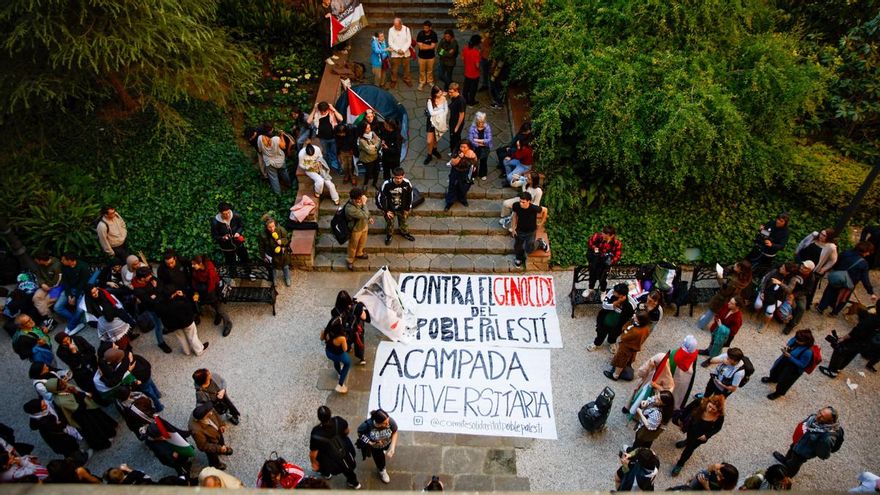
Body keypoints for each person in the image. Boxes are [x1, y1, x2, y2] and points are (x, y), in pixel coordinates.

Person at [627, 335, 699, 414]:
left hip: (657, 382)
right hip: (674, 387)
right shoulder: (693, 356)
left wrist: (644, 375)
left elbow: (643, 370)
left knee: (646, 397)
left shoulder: (666, 356)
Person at [42, 378, 118, 451]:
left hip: (85, 408)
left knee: (99, 420)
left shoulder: (65, 388)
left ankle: (109, 433)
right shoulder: (61, 401)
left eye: (61, 381)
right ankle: (103, 443)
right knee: (93, 428)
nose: (64, 383)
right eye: (61, 384)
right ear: (56, 389)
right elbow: (79, 408)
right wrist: (76, 393)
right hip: (81, 415)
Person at [773, 406, 844, 477]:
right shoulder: (814, 418)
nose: (818, 416)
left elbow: (823, 454)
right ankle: (785, 461)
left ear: (830, 421)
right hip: (798, 442)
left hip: (802, 453)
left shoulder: (827, 438)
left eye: (822, 417)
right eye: (820, 412)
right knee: (791, 450)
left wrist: (810, 450)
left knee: (795, 464)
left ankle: (788, 475)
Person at [816, 241, 877, 316]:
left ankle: (821, 308)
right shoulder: (864, 264)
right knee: (843, 298)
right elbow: (865, 279)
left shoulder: (846, 253)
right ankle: (834, 312)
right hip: (849, 283)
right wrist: (871, 292)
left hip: (837, 277)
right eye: (868, 252)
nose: (868, 254)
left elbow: (836, 263)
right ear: (865, 251)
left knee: (829, 292)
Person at [670, 395, 726, 476]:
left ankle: (680, 464)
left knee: (690, 448)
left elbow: (717, 428)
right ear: (708, 402)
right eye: (710, 406)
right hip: (691, 425)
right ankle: (686, 441)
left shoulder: (719, 416)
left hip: (700, 435)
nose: (710, 410)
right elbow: (687, 409)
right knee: (689, 437)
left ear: (718, 410)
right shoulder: (700, 401)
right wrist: (681, 419)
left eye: (713, 409)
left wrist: (707, 435)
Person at [309, 406, 360, 488]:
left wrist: (314, 463)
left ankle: (326, 474)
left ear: (319, 418)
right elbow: (347, 431)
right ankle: (354, 483)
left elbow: (313, 453)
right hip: (346, 451)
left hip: (330, 460)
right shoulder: (338, 420)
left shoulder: (316, 433)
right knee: (348, 468)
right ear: (330, 414)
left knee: (320, 460)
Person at [819, 312, 880, 377]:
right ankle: (839, 368)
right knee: (851, 354)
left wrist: (843, 338)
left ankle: (832, 371)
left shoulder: (871, 319)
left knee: (840, 351)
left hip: (856, 340)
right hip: (865, 343)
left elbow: (856, 331)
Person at [696, 261, 752, 331]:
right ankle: (718, 328)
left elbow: (724, 291)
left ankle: (701, 325)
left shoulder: (734, 282)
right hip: (731, 300)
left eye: (736, 265)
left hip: (722, 299)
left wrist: (720, 278)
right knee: (722, 315)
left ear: (740, 269)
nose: (734, 264)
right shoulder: (745, 278)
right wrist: (733, 268)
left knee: (711, 311)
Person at [761, 329, 816, 400]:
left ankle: (778, 393)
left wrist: (790, 357)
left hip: (793, 368)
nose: (796, 341)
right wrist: (787, 345)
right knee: (776, 369)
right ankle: (773, 379)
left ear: (805, 342)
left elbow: (802, 365)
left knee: (785, 381)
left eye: (798, 340)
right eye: (796, 338)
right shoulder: (798, 339)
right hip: (785, 359)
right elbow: (792, 340)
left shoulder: (807, 352)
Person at [131, 266, 172, 353]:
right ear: (142, 279)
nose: (151, 276)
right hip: (152, 309)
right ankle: (161, 343)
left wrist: (154, 293)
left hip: (160, 303)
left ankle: (166, 329)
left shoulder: (149, 277)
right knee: (158, 325)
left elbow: (160, 284)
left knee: (164, 317)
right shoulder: (138, 290)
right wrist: (155, 288)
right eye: (149, 276)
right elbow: (150, 301)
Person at [159, 287, 209, 356]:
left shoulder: (161, 305)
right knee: (192, 336)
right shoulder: (179, 302)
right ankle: (199, 350)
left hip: (174, 326)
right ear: (172, 295)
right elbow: (189, 306)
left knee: (181, 338)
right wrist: (183, 296)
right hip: (186, 322)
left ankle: (187, 351)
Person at [588, 283, 637, 353]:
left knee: (614, 335)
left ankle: (612, 342)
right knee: (600, 334)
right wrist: (617, 302)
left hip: (618, 324)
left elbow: (631, 315)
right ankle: (596, 343)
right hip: (604, 320)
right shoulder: (611, 292)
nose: (613, 291)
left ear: (621, 295)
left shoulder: (631, 303)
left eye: (615, 292)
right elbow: (604, 305)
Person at [191, 255, 233, 337]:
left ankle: (228, 323)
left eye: (194, 264)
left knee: (218, 308)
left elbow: (212, 285)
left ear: (200, 263)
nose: (192, 266)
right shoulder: (196, 270)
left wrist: (204, 295)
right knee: (209, 305)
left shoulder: (210, 270)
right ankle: (218, 315)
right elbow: (194, 281)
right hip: (202, 290)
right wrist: (196, 293)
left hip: (214, 290)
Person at [606, 312, 652, 381]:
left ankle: (615, 375)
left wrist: (625, 329)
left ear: (640, 320)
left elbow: (623, 337)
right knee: (625, 360)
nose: (634, 316)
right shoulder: (646, 328)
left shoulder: (636, 331)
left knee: (620, 361)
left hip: (626, 348)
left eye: (636, 317)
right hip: (632, 347)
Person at [356, 409, 398, 484]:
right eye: (385, 423)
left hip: (387, 443)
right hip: (376, 448)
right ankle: (382, 471)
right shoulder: (367, 425)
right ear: (378, 423)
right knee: (379, 460)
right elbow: (360, 433)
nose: (388, 424)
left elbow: (395, 432)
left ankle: (384, 451)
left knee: (385, 449)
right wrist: (370, 442)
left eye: (388, 421)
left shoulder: (390, 421)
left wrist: (392, 447)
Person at [699, 297, 744, 366]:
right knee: (712, 341)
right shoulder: (726, 306)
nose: (728, 303)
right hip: (716, 330)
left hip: (724, 337)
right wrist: (717, 320)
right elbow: (718, 314)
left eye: (731, 303)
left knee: (717, 347)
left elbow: (733, 332)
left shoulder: (738, 318)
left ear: (737, 306)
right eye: (729, 301)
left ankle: (711, 359)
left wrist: (721, 327)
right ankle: (708, 351)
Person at [509, 191, 549, 268]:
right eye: (520, 201)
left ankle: (540, 242)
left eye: (523, 202)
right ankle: (519, 258)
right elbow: (514, 216)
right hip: (519, 230)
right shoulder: (516, 205)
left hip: (531, 231)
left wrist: (541, 223)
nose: (521, 204)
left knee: (529, 249)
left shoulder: (534, 208)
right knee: (518, 246)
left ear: (529, 201)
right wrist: (513, 228)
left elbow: (545, 210)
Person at [55, 252, 91, 335]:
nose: (61, 261)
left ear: (70, 261)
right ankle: (75, 320)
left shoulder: (83, 266)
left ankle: (71, 325)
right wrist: (69, 296)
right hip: (69, 289)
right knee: (57, 307)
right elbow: (65, 282)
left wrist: (75, 297)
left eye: (63, 260)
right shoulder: (64, 267)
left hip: (81, 290)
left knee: (79, 310)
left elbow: (83, 283)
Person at [377, 167, 415, 246]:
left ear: (403, 176)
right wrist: (386, 210)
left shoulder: (407, 183)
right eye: (397, 178)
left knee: (403, 221)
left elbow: (410, 196)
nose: (398, 180)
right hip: (390, 209)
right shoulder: (387, 184)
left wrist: (407, 208)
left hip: (402, 208)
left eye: (400, 178)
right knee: (390, 223)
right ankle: (389, 235)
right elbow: (380, 198)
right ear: (393, 176)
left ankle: (404, 233)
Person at [190, 403, 233, 470]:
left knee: (221, 440)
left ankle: (222, 449)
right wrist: (219, 448)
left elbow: (216, 414)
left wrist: (221, 424)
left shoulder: (206, 410)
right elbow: (203, 446)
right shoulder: (196, 430)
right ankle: (216, 465)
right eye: (208, 413)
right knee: (212, 456)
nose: (211, 413)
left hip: (217, 433)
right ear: (202, 418)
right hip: (210, 443)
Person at [332, 291, 370, 365]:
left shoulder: (335, 310)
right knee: (359, 343)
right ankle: (361, 358)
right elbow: (364, 317)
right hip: (356, 331)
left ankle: (348, 349)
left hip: (344, 332)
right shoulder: (357, 307)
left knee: (346, 342)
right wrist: (360, 305)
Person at [584, 226, 622, 297]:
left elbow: (618, 255)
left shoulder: (617, 243)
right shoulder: (597, 236)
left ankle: (603, 292)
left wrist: (611, 261)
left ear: (611, 235)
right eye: (602, 233)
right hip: (595, 259)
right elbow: (590, 243)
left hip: (605, 263)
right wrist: (595, 248)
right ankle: (590, 289)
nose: (603, 235)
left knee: (603, 279)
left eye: (605, 235)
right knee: (592, 275)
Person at [308, 101, 344, 174]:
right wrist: (314, 109)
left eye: (324, 111)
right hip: (322, 139)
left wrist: (333, 109)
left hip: (333, 138)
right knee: (326, 154)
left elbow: (341, 119)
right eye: (322, 111)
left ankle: (337, 168)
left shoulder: (331, 112)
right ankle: (329, 168)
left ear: (327, 109)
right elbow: (309, 121)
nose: (323, 113)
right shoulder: (317, 113)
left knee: (334, 153)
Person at [782, 261, 817, 335]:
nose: (802, 268)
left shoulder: (811, 278)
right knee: (792, 305)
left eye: (805, 268)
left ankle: (791, 325)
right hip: (790, 289)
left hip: (800, 293)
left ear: (809, 270)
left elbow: (807, 291)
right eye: (802, 265)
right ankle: (782, 316)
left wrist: (794, 295)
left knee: (801, 308)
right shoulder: (796, 268)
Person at [322, 314, 352, 393]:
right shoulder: (341, 338)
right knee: (348, 363)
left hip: (329, 352)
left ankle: (339, 372)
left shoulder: (326, 331)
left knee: (336, 361)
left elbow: (321, 338)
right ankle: (340, 385)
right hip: (338, 354)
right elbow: (345, 349)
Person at [344, 188, 373, 271]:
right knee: (353, 245)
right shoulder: (350, 208)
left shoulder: (359, 201)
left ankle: (359, 253)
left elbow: (366, 213)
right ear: (354, 199)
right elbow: (364, 214)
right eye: (359, 198)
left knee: (362, 242)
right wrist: (364, 203)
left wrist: (369, 217)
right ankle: (350, 259)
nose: (361, 200)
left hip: (364, 226)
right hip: (356, 229)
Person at [259, 215, 293, 287]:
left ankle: (287, 277)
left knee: (285, 266)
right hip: (271, 253)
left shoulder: (281, 230)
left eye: (273, 226)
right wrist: (263, 256)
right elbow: (261, 246)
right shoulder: (263, 234)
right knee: (273, 267)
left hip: (281, 252)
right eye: (269, 227)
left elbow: (287, 239)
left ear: (275, 224)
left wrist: (282, 241)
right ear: (266, 227)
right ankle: (274, 279)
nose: (272, 229)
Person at [444, 141, 477, 211]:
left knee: (464, 187)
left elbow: (475, 161)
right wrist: (459, 157)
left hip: (466, 173)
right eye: (461, 147)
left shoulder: (471, 153)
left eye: (464, 147)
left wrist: (474, 164)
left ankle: (462, 199)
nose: (462, 148)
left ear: (468, 147)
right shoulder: (456, 152)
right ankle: (449, 202)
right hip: (456, 171)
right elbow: (453, 163)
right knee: (452, 186)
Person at [31, 252, 62, 321]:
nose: (35, 261)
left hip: (56, 288)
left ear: (41, 260)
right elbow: (38, 276)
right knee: (35, 298)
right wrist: (42, 284)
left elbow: (57, 281)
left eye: (36, 260)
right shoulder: (40, 265)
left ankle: (48, 319)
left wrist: (48, 286)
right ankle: (49, 318)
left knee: (45, 302)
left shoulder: (57, 265)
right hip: (44, 286)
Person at [670, 462, 739, 491]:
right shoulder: (715, 472)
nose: (716, 468)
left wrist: (706, 486)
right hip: (698, 484)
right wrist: (710, 468)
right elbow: (703, 473)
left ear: (723, 477)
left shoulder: (724, 489)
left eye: (719, 470)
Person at [424, 85, 448, 164]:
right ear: (434, 93)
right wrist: (441, 111)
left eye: (440, 91)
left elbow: (446, 110)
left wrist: (439, 113)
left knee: (436, 137)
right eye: (438, 93)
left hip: (440, 121)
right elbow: (431, 113)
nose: (440, 93)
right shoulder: (430, 100)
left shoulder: (444, 99)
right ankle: (429, 155)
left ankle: (434, 150)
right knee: (429, 141)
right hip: (431, 122)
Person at [387, 18, 412, 88]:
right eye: (394, 25)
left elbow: (409, 41)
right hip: (395, 53)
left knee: (407, 68)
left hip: (405, 52)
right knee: (394, 69)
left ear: (401, 24)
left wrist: (403, 50)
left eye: (397, 25)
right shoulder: (391, 30)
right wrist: (398, 50)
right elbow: (390, 42)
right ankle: (393, 80)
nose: (395, 27)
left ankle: (407, 79)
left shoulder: (407, 29)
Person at [467, 112, 493, 180]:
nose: (481, 124)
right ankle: (473, 174)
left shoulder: (487, 127)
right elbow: (470, 139)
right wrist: (479, 144)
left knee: (484, 161)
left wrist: (478, 140)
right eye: (479, 122)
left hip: (485, 148)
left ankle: (483, 174)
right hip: (475, 147)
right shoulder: (472, 128)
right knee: (474, 161)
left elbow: (489, 139)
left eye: (482, 122)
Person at [358, 122, 382, 190]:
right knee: (368, 172)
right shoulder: (361, 140)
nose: (369, 129)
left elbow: (379, 141)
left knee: (377, 171)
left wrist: (374, 146)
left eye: (369, 127)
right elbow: (370, 151)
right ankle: (365, 184)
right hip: (367, 160)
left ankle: (374, 183)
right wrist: (376, 145)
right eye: (367, 128)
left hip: (376, 157)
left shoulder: (373, 133)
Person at [416, 20, 438, 90]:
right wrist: (429, 46)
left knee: (430, 70)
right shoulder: (420, 34)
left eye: (426, 28)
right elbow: (421, 47)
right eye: (424, 28)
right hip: (421, 56)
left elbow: (433, 46)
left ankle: (430, 81)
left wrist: (424, 45)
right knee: (422, 71)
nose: (425, 29)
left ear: (430, 28)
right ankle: (422, 82)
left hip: (431, 56)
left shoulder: (434, 34)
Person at [446, 83, 466, 155]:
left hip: (457, 123)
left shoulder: (461, 101)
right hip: (453, 120)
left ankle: (455, 154)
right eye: (449, 92)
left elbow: (462, 115)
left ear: (456, 91)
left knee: (455, 139)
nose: (449, 94)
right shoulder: (454, 97)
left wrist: (457, 127)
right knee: (453, 138)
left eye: (451, 92)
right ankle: (454, 152)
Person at [462, 34, 482, 105]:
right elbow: (477, 65)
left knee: (466, 87)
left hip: (467, 72)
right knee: (473, 89)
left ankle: (465, 99)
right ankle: (471, 101)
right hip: (474, 74)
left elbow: (463, 58)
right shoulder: (476, 52)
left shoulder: (465, 49)